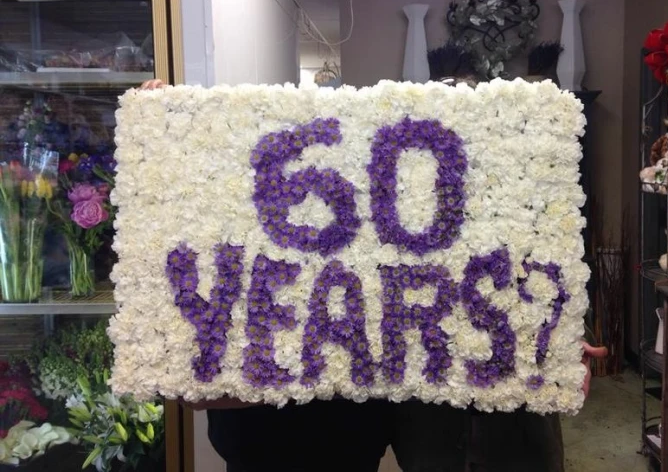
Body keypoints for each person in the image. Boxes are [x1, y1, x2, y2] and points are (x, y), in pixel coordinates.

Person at [139, 79, 607, 472]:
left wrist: (550, 348)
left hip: (361, 440)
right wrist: (165, 129)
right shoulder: (241, 249)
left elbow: (462, 308)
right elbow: (196, 387)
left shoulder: (397, 254)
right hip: (265, 446)